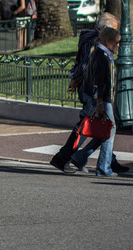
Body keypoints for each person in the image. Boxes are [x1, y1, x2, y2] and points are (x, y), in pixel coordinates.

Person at [49, 12, 128, 174]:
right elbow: (85, 64)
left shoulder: (91, 39)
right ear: (105, 29)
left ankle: (99, 159)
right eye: (113, 31)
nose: (116, 36)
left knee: (102, 126)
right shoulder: (95, 42)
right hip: (93, 90)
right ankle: (64, 157)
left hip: (92, 89)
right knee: (88, 127)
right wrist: (78, 80)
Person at [70, 28, 121, 177]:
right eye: (117, 43)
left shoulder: (103, 54)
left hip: (103, 99)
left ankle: (80, 156)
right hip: (103, 100)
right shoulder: (101, 56)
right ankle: (103, 168)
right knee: (110, 131)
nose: (118, 46)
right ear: (108, 41)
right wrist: (99, 102)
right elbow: (98, 82)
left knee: (103, 132)